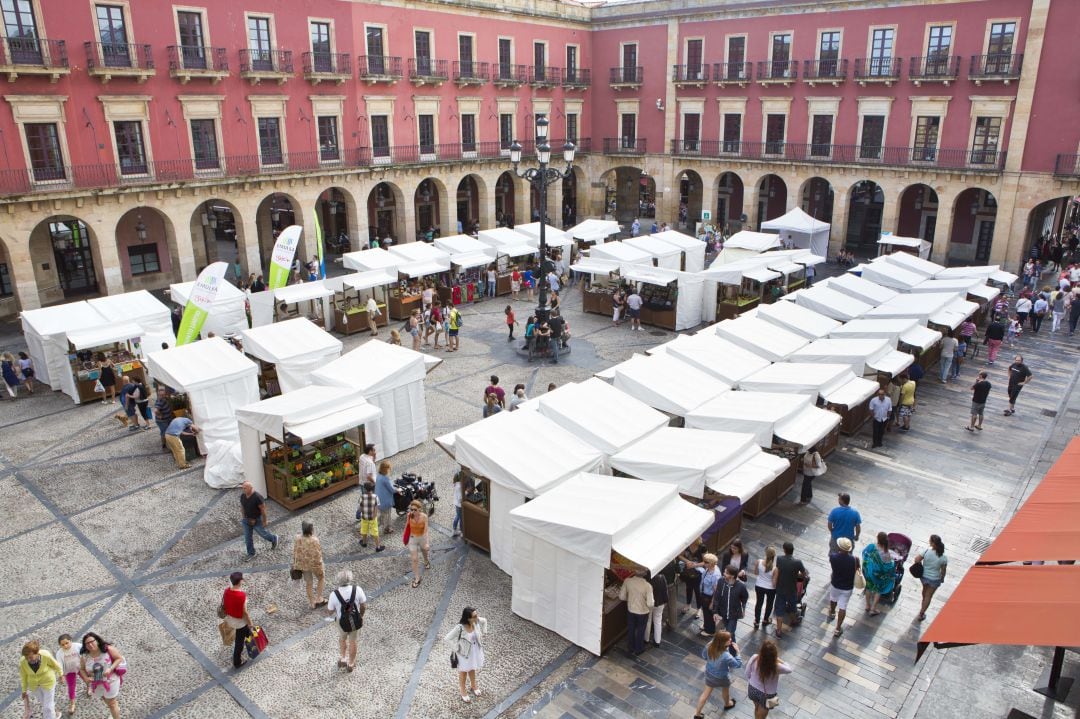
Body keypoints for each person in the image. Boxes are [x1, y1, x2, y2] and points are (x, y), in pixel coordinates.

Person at [325, 569, 367, 673]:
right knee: (353, 641)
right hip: (355, 620)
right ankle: (351, 663)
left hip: (341, 622)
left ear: (338, 581)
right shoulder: (357, 589)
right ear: (350, 579)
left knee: (342, 639)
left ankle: (343, 658)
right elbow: (363, 605)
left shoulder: (334, 595)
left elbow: (329, 612)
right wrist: (361, 616)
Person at [444, 607, 487, 703]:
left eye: (477, 615)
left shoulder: (476, 621)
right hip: (464, 653)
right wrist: (456, 648)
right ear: (468, 618)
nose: (477, 617)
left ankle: (473, 685)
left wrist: (484, 632)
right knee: (463, 673)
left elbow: (485, 621)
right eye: (475, 616)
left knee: (472, 668)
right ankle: (463, 690)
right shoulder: (460, 628)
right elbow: (447, 638)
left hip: (474, 651)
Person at [694, 630, 741, 717]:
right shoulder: (727, 656)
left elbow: (704, 656)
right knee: (725, 691)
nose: (731, 639)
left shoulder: (710, 645)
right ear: (722, 643)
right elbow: (737, 665)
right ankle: (727, 704)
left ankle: (697, 714)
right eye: (728, 639)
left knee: (705, 694)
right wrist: (738, 652)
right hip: (722, 678)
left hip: (709, 674)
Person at [78, 633, 125, 718]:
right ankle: (115, 708)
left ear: (97, 641)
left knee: (111, 703)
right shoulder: (85, 656)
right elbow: (81, 669)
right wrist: (86, 678)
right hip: (96, 683)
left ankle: (115, 713)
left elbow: (119, 658)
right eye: (87, 643)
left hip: (111, 681)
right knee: (106, 699)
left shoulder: (107, 649)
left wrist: (110, 668)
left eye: (92, 641)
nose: (90, 644)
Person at [745, 640, 791, 718]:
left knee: (756, 708)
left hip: (752, 689)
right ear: (774, 655)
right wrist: (778, 659)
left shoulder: (755, 658)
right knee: (762, 714)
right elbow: (789, 669)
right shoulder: (776, 666)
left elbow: (747, 674)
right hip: (767, 695)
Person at [20, 640, 62, 719]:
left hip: (48, 682)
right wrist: (24, 690)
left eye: (30, 657)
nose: (28, 659)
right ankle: (55, 713)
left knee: (47, 707)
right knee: (45, 703)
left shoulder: (45, 655)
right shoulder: (23, 661)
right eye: (26, 657)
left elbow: (56, 665)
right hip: (34, 686)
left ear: (37, 653)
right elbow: (23, 676)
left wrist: (61, 674)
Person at [827, 537, 860, 637]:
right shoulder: (854, 559)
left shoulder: (833, 557)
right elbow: (858, 570)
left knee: (833, 599)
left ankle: (832, 612)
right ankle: (837, 628)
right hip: (848, 587)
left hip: (835, 583)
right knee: (843, 606)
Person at [773, 542, 805, 639]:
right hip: (792, 589)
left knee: (780, 610)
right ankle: (794, 621)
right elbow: (803, 574)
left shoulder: (779, 559)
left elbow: (778, 570)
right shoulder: (798, 562)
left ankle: (778, 630)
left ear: (784, 550)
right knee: (792, 607)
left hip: (780, 589)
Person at [292, 521, 327, 609]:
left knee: (309, 583)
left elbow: (295, 551)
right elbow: (318, 554)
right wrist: (320, 564)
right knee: (321, 578)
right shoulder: (314, 540)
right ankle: (319, 598)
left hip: (303, 566)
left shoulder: (297, 538)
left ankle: (312, 603)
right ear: (311, 530)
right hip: (315, 565)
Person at [619, 569, 654, 655]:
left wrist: (630, 599)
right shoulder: (647, 586)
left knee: (631, 628)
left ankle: (630, 648)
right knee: (641, 630)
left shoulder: (627, 581)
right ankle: (639, 649)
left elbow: (621, 597)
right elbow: (650, 603)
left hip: (631, 610)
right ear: (645, 574)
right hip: (643, 612)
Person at [914, 535, 948, 621]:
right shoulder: (943, 558)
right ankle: (921, 613)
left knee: (925, 593)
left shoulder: (926, 552)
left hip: (924, 577)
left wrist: (922, 566)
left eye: (930, 541)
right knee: (928, 596)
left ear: (933, 543)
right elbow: (943, 571)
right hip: (934, 579)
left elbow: (917, 560)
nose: (929, 541)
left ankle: (923, 606)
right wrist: (942, 578)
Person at [712, 565, 749, 642]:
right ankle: (733, 652)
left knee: (729, 635)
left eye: (726, 573)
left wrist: (743, 609)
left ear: (732, 576)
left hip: (733, 614)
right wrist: (715, 612)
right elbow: (717, 596)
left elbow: (745, 597)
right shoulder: (721, 581)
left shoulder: (741, 586)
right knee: (731, 635)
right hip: (723, 613)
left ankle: (731, 653)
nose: (723, 573)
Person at [239, 481, 278, 557]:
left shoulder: (257, 497)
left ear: (250, 488)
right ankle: (251, 553)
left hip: (257, 520)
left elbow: (263, 510)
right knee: (247, 538)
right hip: (246, 520)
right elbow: (242, 506)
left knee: (263, 534)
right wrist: (243, 517)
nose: (243, 490)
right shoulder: (243, 496)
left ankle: (273, 538)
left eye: (245, 488)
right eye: (242, 488)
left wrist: (265, 521)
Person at [861, 532, 895, 616]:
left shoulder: (871, 546)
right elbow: (888, 566)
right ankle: (873, 609)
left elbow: (864, 554)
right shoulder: (886, 553)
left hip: (869, 573)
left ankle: (867, 605)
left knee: (868, 588)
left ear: (878, 539)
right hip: (878, 576)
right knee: (878, 590)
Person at [679, 538, 706, 618]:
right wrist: (687, 561)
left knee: (698, 591)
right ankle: (688, 604)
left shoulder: (702, 547)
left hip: (698, 572)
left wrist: (695, 565)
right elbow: (679, 555)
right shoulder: (686, 544)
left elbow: (705, 562)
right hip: (688, 572)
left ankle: (699, 609)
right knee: (688, 588)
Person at [753, 546, 778, 630]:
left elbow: (756, 573)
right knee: (769, 604)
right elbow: (774, 583)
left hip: (759, 585)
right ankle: (765, 620)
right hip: (770, 588)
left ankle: (756, 621)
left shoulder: (758, 562)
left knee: (759, 603)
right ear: (774, 556)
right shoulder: (775, 569)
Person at [406, 500, 431, 587]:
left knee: (424, 551)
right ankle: (417, 578)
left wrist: (427, 542)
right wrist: (405, 538)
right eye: (411, 509)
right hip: (412, 539)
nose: (413, 511)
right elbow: (407, 526)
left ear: (419, 509)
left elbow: (426, 530)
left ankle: (426, 561)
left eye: (415, 510)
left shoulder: (424, 517)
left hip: (422, 537)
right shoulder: (409, 515)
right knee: (414, 559)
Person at [56, 634, 82, 716]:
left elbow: (85, 653)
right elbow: (59, 665)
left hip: (80, 668)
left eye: (67, 643)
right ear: (60, 645)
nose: (65, 645)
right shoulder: (59, 653)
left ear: (71, 640)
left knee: (86, 679)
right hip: (69, 671)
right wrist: (61, 675)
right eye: (62, 644)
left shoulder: (78, 646)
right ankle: (72, 703)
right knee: (71, 687)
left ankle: (89, 687)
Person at [697, 553, 722, 637]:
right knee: (705, 611)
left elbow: (716, 590)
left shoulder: (715, 575)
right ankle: (706, 625)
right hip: (704, 594)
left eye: (706, 562)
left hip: (709, 597)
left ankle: (710, 630)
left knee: (709, 613)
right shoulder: (709, 569)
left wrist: (712, 602)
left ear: (711, 563)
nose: (704, 563)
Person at [357, 481, 385, 551]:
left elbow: (360, 508)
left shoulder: (362, 497)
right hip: (372, 517)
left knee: (364, 529)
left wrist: (359, 513)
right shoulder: (375, 497)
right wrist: (374, 516)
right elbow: (376, 508)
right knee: (375, 531)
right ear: (373, 489)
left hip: (364, 517)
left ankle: (364, 543)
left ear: (365, 489)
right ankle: (378, 547)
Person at [644, 568, 668, 648]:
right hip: (660, 603)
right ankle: (657, 641)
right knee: (658, 621)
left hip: (649, 603)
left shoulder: (647, 578)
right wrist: (665, 601)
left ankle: (646, 639)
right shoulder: (662, 577)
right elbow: (665, 591)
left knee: (648, 620)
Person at [374, 460, 396, 535]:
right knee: (387, 514)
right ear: (386, 469)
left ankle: (377, 523)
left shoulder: (378, 476)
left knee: (382, 513)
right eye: (389, 468)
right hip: (385, 501)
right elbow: (392, 490)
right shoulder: (385, 479)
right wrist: (398, 490)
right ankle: (387, 529)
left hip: (378, 499)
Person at [451, 472, 463, 538]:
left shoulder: (455, 484)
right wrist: (466, 493)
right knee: (461, 518)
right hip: (459, 504)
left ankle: (454, 529)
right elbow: (460, 498)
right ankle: (461, 531)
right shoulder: (460, 486)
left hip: (456, 503)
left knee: (457, 516)